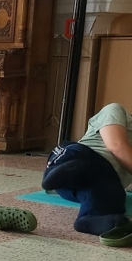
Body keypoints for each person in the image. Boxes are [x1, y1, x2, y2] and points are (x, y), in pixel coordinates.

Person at [41, 102, 132, 246]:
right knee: (83, 161)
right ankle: (59, 171)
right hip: (80, 155)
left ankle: (89, 219)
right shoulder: (115, 110)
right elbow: (116, 146)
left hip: (101, 179)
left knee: (115, 196)